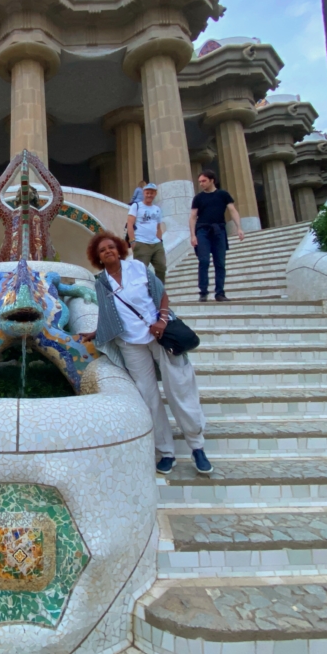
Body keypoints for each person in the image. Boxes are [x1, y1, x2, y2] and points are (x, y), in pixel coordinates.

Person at [81, 232, 213, 476]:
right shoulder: (101, 282)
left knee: (180, 388)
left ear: (119, 249)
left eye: (111, 247)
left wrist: (162, 321)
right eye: (102, 250)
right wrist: (95, 332)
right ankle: (166, 451)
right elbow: (108, 314)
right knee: (148, 396)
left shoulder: (137, 268)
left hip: (159, 336)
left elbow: (161, 294)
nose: (108, 251)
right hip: (130, 343)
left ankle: (197, 445)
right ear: (97, 257)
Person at [189, 169, 244, 302]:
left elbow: (232, 210)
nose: (201, 184)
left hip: (219, 230)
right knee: (204, 261)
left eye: (204, 181)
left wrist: (239, 228)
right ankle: (203, 292)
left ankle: (220, 293)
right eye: (200, 181)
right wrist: (193, 235)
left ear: (212, 180)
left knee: (220, 262)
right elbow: (192, 217)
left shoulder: (223, 194)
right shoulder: (198, 198)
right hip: (202, 230)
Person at [127, 183, 166, 284]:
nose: (149, 195)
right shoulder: (136, 206)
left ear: (155, 194)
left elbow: (158, 227)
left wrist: (160, 241)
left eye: (152, 193)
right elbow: (130, 224)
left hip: (156, 243)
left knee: (162, 267)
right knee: (140, 272)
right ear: (144, 193)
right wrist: (132, 241)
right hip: (141, 242)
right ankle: (142, 295)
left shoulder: (157, 209)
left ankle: (160, 293)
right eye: (147, 192)